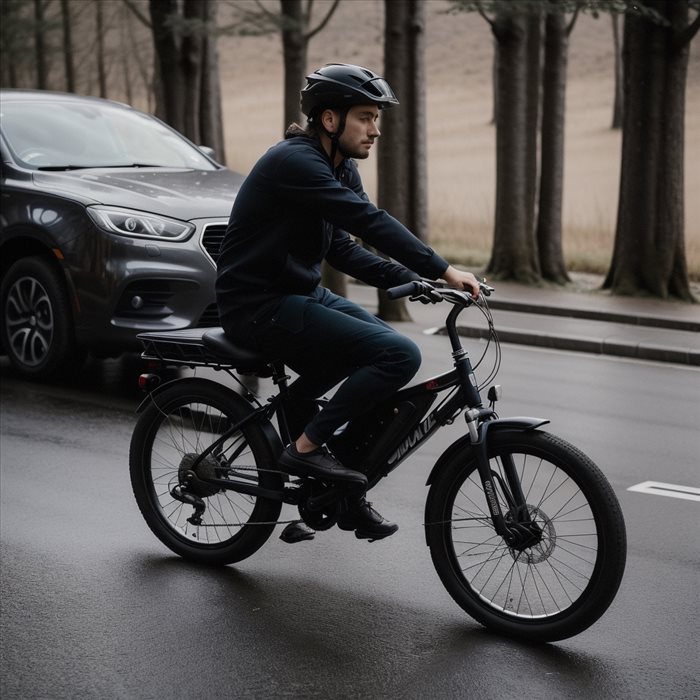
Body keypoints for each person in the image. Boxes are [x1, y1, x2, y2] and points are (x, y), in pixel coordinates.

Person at [216, 63, 479, 541]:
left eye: (377, 118)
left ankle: (338, 492)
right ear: (330, 119)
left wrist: (410, 280)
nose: (376, 130)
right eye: (365, 117)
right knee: (399, 354)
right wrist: (442, 268)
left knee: (376, 346)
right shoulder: (295, 162)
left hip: (297, 294)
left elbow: (342, 246)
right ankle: (305, 447)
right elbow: (370, 220)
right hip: (256, 304)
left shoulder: (341, 166)